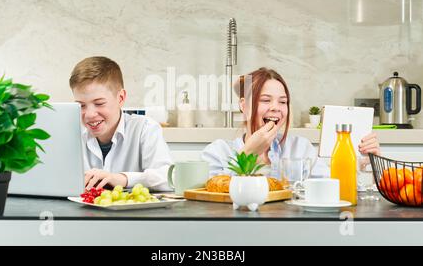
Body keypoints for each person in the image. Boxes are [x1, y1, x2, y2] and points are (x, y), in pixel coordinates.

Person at [201, 67, 380, 179]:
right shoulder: (218, 152)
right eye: (265, 100)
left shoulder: (300, 148)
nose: (276, 108)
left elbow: (331, 189)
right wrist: (248, 154)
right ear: (244, 106)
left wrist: (363, 163)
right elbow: (211, 199)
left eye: (282, 101)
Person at [69, 56, 172, 191]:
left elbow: (168, 177)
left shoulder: (145, 128)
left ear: (121, 98)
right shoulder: (71, 133)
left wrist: (122, 179)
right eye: (81, 105)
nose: (89, 114)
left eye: (99, 103)